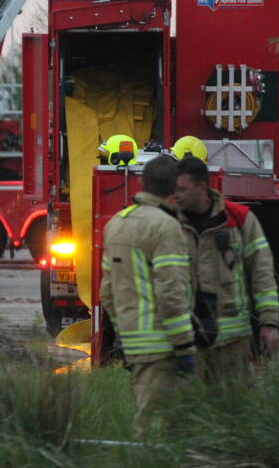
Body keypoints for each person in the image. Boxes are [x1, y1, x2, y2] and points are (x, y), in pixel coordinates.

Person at [99, 155, 196, 438]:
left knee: (149, 417)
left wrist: (124, 331)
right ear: (175, 188)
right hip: (165, 344)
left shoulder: (117, 222)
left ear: (143, 182)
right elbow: (171, 292)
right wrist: (186, 347)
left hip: (134, 342)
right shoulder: (166, 227)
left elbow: (107, 291)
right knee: (161, 428)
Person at [173, 155, 279, 383]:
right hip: (185, 341)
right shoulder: (169, 223)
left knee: (234, 409)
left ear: (202, 187)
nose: (177, 195)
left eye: (183, 189)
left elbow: (262, 274)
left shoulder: (239, 219)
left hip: (232, 343)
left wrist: (269, 323)